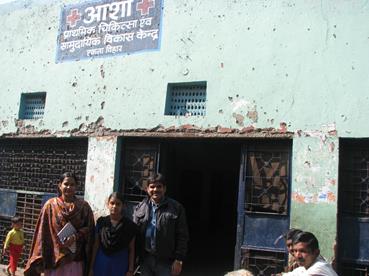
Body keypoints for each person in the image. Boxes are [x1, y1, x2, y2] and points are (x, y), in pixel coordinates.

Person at [24, 172, 95, 276]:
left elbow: (90, 230)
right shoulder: (50, 206)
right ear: (60, 185)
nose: (69, 187)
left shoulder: (84, 207)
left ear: (76, 186)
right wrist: (39, 259)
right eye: (66, 184)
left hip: (75, 260)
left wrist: (75, 236)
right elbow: (42, 233)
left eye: (72, 184)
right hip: (54, 260)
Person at [133, 173, 189, 276]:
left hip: (166, 261)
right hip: (145, 259)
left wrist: (178, 260)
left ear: (164, 189)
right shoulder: (140, 207)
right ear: (147, 189)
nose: (155, 189)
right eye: (152, 187)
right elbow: (134, 234)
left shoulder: (176, 208)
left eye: (159, 186)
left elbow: (182, 236)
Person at [90, 192, 137, 276]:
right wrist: (91, 267)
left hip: (120, 264)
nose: (114, 206)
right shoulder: (101, 222)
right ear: (108, 204)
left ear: (123, 206)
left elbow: (131, 249)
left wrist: (130, 270)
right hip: (101, 263)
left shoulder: (130, 226)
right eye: (112, 203)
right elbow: (96, 245)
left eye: (118, 204)